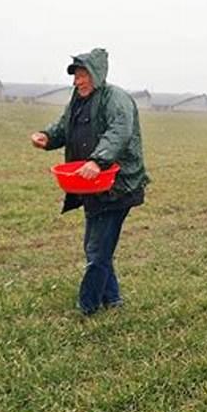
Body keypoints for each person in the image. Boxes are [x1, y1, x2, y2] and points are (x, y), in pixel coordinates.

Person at [31, 48, 149, 316]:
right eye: (75, 76)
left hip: (117, 185)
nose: (77, 81)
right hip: (91, 185)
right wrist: (47, 137)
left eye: (82, 75)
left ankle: (88, 307)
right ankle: (113, 300)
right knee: (97, 247)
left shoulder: (116, 100)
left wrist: (98, 161)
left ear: (97, 75)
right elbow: (64, 127)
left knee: (97, 249)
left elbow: (118, 134)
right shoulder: (79, 99)